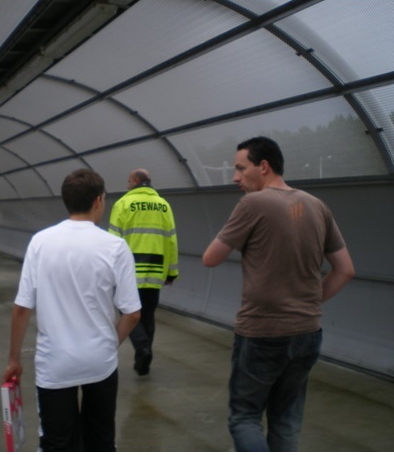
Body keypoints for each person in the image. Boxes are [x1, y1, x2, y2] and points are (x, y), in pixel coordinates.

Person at [202, 136, 355, 451]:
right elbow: (345, 269)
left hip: (262, 333)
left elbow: (210, 258)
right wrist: (310, 301)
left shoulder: (252, 204)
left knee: (244, 418)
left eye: (240, 169)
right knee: (286, 423)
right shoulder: (318, 206)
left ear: (264, 166)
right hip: (307, 333)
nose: (235, 178)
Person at [3, 168, 141, 451]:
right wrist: (108, 344)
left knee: (58, 442)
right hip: (100, 362)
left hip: (55, 363)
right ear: (99, 200)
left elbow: (21, 308)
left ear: (66, 200)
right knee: (100, 440)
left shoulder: (40, 242)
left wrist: (14, 359)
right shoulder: (116, 246)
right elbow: (133, 313)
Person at [108, 169, 178, 375]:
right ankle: (143, 361)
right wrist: (171, 272)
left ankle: (142, 347)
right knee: (147, 314)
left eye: (129, 182)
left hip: (130, 270)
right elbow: (171, 240)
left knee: (127, 311)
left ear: (136, 181)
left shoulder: (123, 204)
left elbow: (113, 240)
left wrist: (112, 272)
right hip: (156, 268)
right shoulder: (164, 205)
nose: (127, 186)